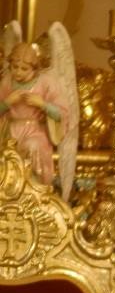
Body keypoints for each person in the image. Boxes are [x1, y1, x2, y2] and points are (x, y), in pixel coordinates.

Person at [0, 42, 67, 186]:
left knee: (32, 146)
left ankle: (34, 190)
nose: (18, 72)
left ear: (35, 69)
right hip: (10, 131)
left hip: (35, 131)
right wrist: (7, 102)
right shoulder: (6, 83)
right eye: (14, 67)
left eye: (24, 69)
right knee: (7, 154)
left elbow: (61, 113)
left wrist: (43, 104)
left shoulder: (46, 83)